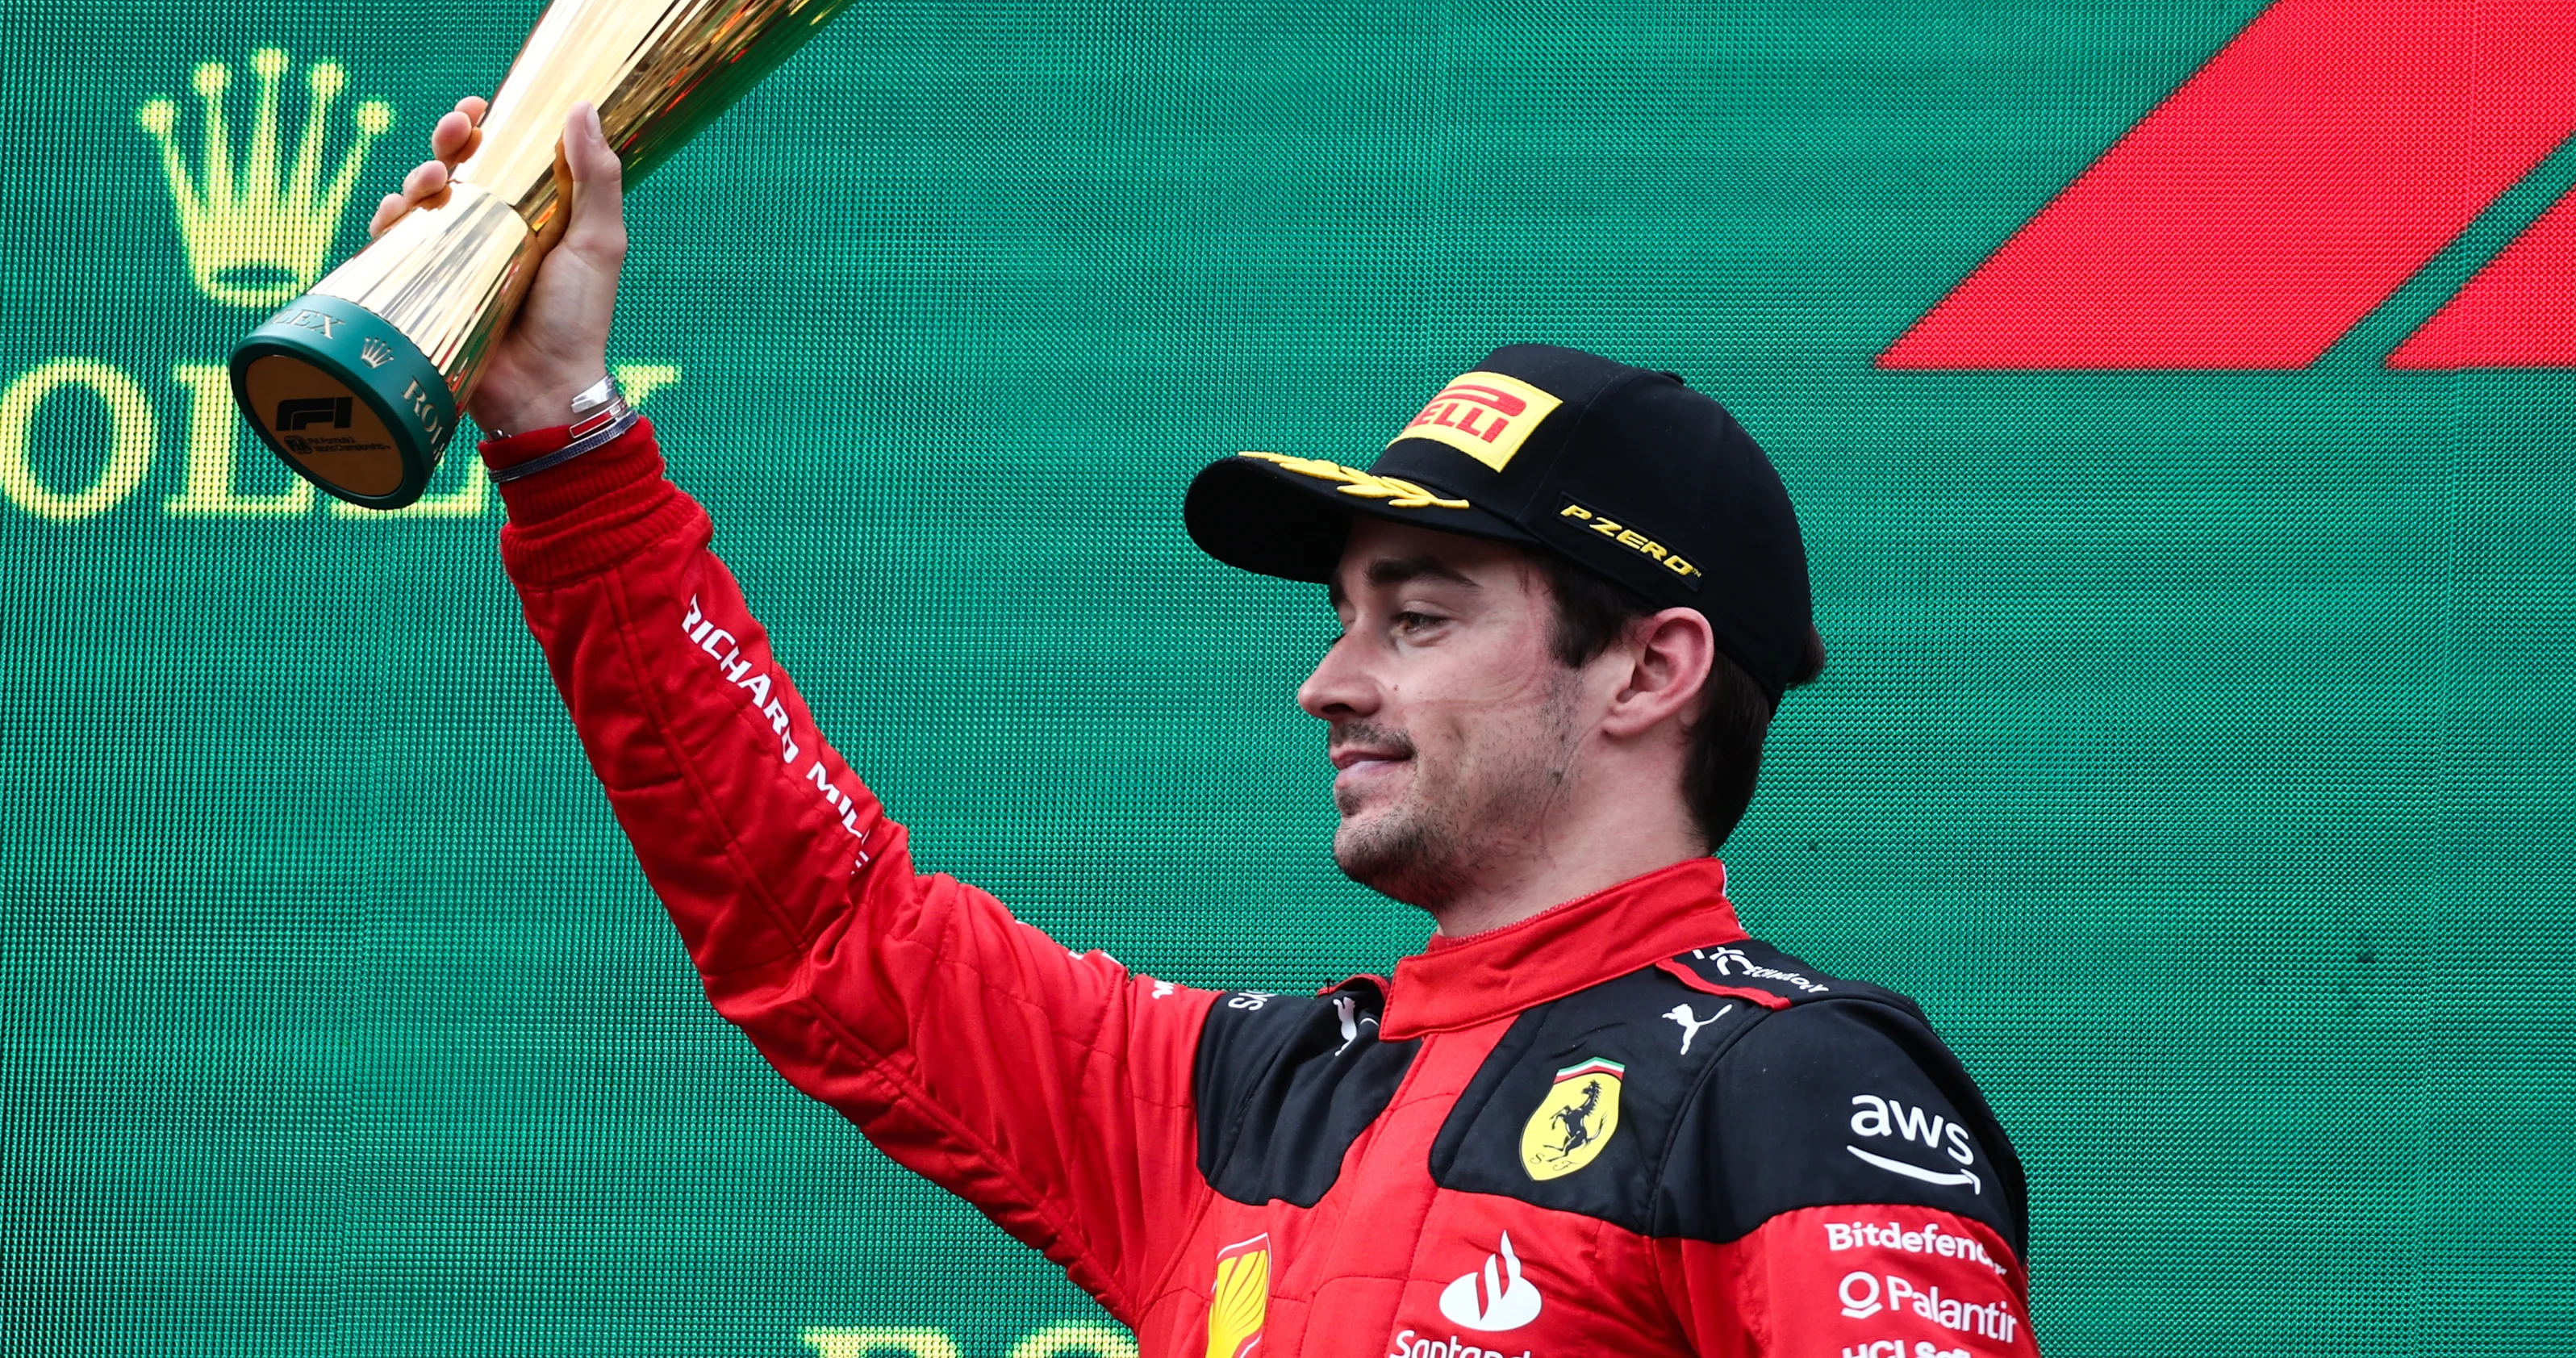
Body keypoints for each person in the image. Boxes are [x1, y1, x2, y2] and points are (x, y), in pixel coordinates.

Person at [377, 101, 2039, 1357]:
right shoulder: (1248, 1092)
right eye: (1341, 620)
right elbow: (827, 931)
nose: (1329, 682)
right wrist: (563, 439)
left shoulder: (1799, 1083)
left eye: (1419, 617)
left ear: (1646, 671)